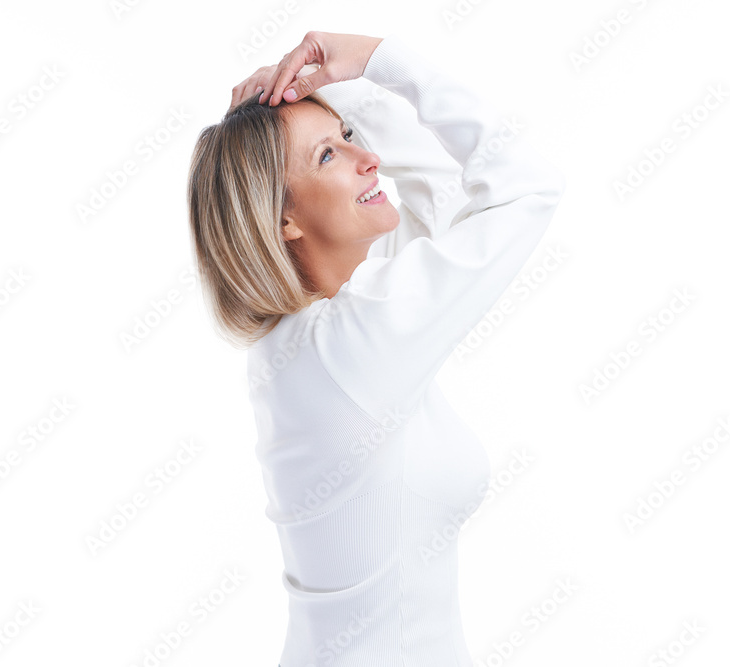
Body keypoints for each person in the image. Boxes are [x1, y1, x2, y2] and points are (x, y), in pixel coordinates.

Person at [186, 30, 564, 666]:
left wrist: (328, 91)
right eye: (327, 158)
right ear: (284, 220)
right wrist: (379, 62)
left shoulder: (307, 341)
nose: (368, 161)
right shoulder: (350, 344)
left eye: (351, 140)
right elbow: (525, 188)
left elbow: (422, 181)